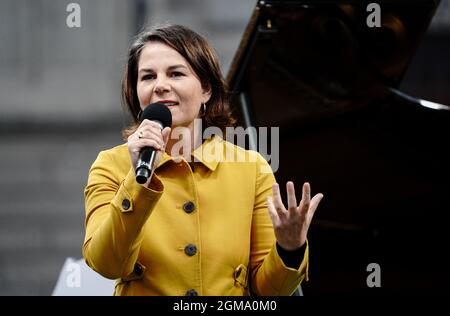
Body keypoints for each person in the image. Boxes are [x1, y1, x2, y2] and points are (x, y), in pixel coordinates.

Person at [83, 24, 323, 296]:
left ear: (206, 89)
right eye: (148, 77)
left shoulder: (251, 168)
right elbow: (106, 264)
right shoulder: (110, 165)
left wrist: (290, 249)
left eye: (176, 73)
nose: (161, 85)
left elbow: (268, 291)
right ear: (136, 92)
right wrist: (139, 182)